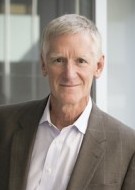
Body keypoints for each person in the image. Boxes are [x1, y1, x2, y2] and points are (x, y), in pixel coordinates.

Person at [0, 14, 135, 190]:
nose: (69, 74)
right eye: (59, 60)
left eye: (81, 61)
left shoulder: (127, 146)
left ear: (99, 66)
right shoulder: (4, 123)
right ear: (43, 64)